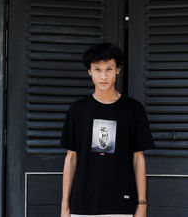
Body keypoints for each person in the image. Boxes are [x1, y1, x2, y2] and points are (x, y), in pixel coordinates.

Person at [60, 43, 154, 217]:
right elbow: (71, 158)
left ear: (118, 70)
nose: (103, 76)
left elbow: (138, 158)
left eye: (109, 69)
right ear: (90, 71)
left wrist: (142, 203)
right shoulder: (77, 110)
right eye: (97, 69)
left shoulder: (133, 109)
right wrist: (65, 204)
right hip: (82, 204)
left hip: (121, 204)